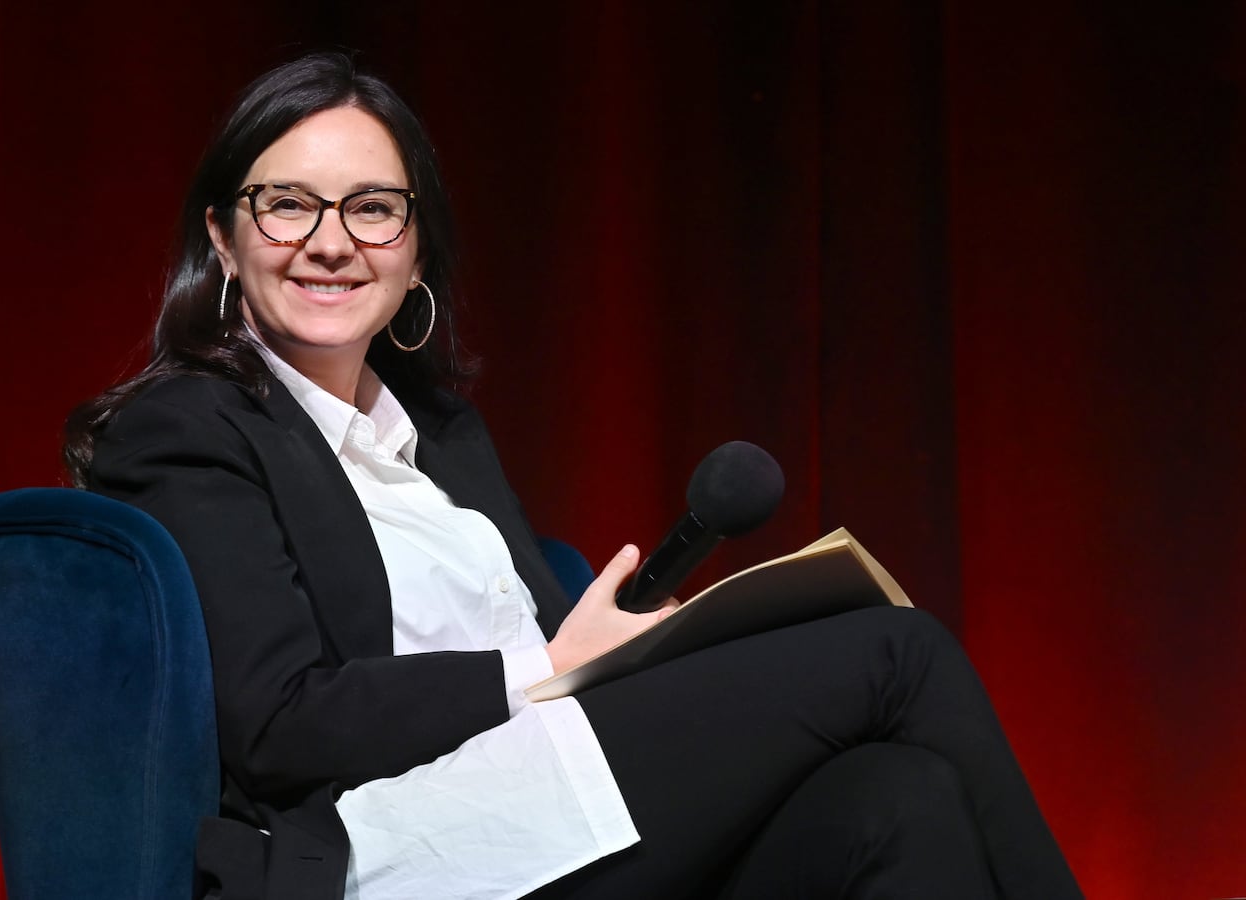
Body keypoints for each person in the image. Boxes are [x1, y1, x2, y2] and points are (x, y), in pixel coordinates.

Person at [65, 52, 1082, 900]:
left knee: (898, 797)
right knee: (891, 655)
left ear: (415, 254)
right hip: (390, 848)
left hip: (546, 806)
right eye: (287, 204)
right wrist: (542, 670)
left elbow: (559, 658)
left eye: (373, 209)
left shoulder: (438, 432)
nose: (330, 242)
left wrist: (634, 653)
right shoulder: (187, 425)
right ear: (223, 236)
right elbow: (283, 725)